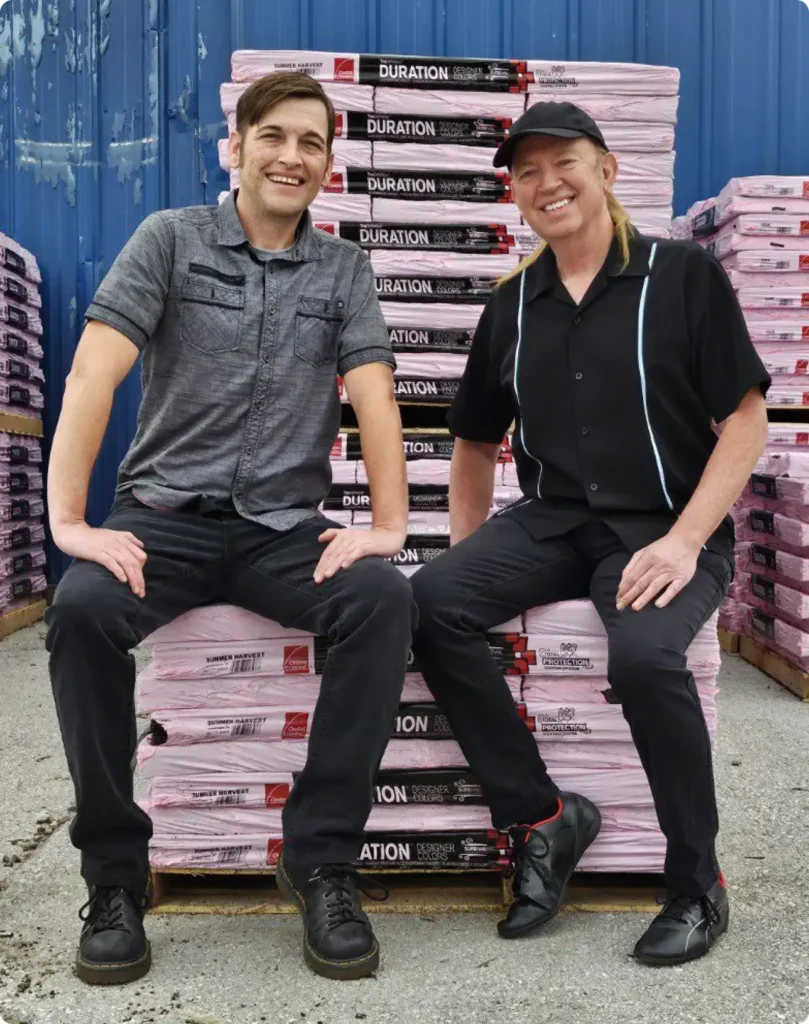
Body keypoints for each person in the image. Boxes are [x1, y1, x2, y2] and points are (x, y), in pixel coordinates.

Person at [45, 71, 414, 985]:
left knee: (380, 598)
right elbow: (93, 373)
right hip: (163, 517)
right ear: (235, 147)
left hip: (280, 530)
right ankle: (116, 876)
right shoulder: (169, 242)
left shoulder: (344, 270)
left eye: (312, 143)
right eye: (275, 136)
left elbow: (372, 394)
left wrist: (389, 526)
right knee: (83, 610)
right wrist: (68, 523)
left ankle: (321, 859)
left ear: (327, 164)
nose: (292, 156)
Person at [410, 100, 770, 965]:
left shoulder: (681, 276)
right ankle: (541, 817)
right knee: (426, 603)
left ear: (605, 169)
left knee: (645, 657)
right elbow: (471, 438)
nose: (546, 183)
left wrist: (685, 542)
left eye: (562, 162)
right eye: (525, 172)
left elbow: (746, 419)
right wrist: (467, 557)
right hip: (552, 521)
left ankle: (696, 883)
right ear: (516, 197)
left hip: (662, 524)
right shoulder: (513, 305)